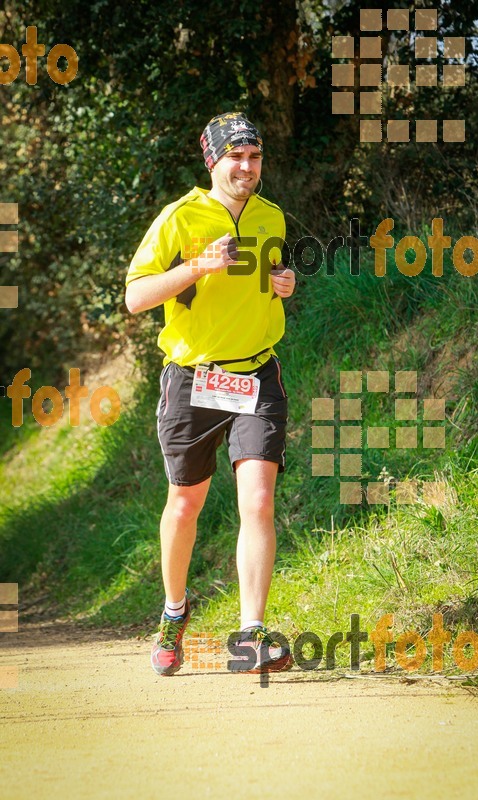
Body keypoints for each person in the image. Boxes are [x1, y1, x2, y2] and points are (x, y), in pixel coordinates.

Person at [125, 111, 296, 676]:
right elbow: (136, 297)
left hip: (255, 376)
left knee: (259, 501)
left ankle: (250, 632)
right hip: (194, 379)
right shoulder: (180, 217)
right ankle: (174, 611)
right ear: (213, 161)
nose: (246, 168)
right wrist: (196, 265)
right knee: (185, 503)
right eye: (235, 158)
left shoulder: (271, 217)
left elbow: (265, 281)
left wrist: (284, 284)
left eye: (254, 157)